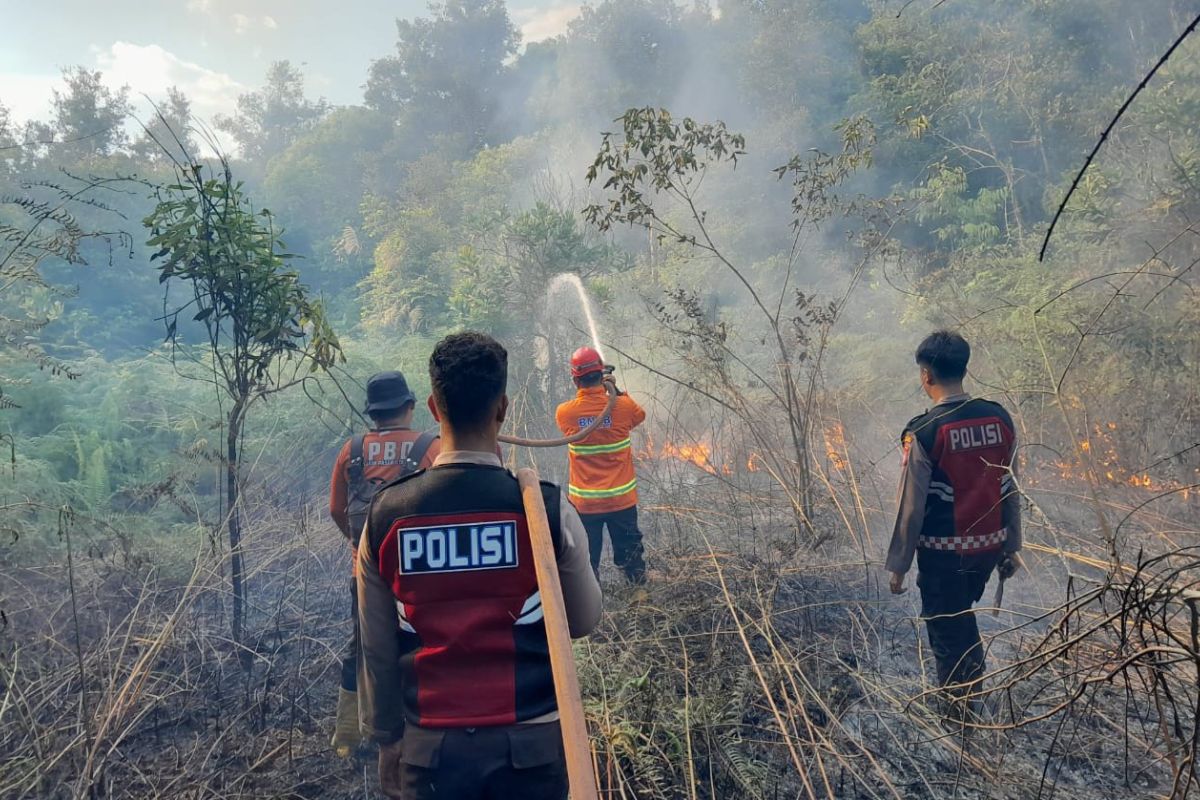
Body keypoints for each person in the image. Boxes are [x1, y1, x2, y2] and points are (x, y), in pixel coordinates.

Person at [357, 332, 603, 800]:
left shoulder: (386, 516)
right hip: (531, 751)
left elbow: (377, 646)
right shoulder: (545, 510)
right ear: (503, 408)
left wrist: (387, 738)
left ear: (433, 407)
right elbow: (584, 621)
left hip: (430, 755)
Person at [886, 330, 1022, 715]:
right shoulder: (999, 417)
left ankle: (959, 715)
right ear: (964, 367)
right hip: (988, 549)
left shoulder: (925, 431)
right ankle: (972, 695)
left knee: (947, 630)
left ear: (926, 375)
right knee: (962, 619)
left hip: (944, 556)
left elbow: (910, 507)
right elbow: (1011, 487)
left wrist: (898, 565)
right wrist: (1013, 545)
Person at [327, 370, 440, 756]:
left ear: (373, 413)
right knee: (419, 643)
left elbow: (337, 509)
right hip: (418, 577)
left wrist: (359, 550)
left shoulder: (351, 451)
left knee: (362, 649)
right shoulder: (430, 447)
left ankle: (350, 736)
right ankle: (416, 724)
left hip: (363, 575)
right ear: (409, 406)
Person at [555, 346, 647, 583]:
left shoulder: (565, 413)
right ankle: (639, 592)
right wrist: (613, 390)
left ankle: (590, 602)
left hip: (586, 504)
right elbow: (639, 416)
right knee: (630, 550)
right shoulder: (624, 407)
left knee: (587, 557)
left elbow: (581, 420)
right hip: (621, 501)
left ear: (575, 379)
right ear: (601, 374)